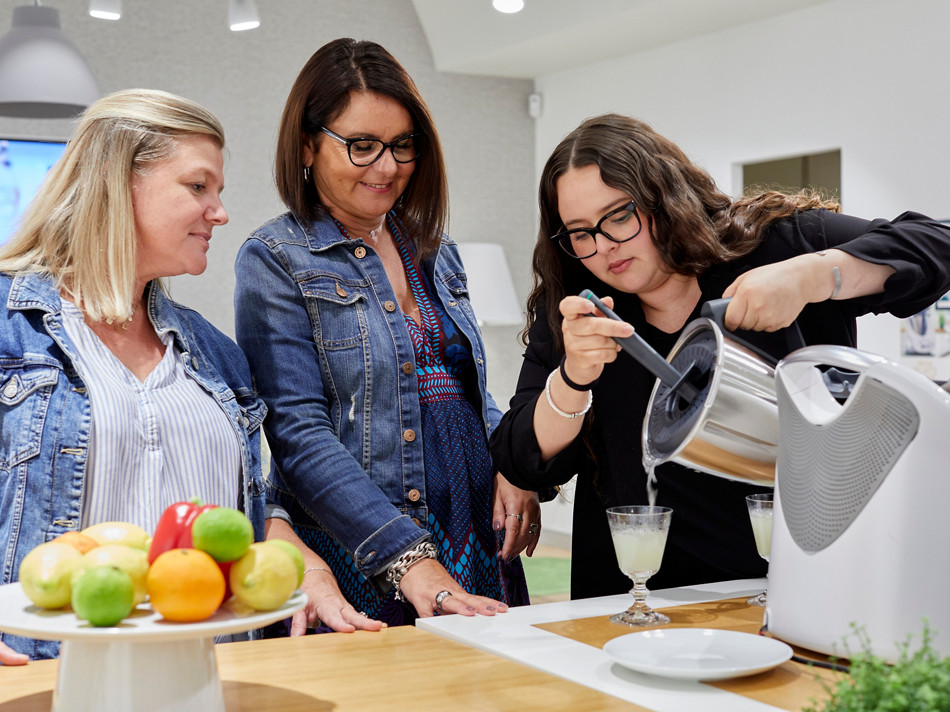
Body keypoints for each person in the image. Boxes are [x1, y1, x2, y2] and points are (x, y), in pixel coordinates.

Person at [489, 113, 950, 600]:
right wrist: (572, 378)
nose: (603, 247)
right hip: (634, 601)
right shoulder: (579, 309)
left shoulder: (778, 246)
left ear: (662, 195)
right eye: (580, 233)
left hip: (798, 584)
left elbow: (937, 244)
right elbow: (521, 460)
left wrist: (812, 277)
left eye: (619, 216)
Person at [0, 89, 377, 664]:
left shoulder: (214, 352)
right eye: (198, 186)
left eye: (217, 192)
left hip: (211, 672)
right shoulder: (9, 326)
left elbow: (236, 511)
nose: (220, 212)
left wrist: (309, 570)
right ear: (115, 180)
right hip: (48, 674)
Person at [234, 38, 540, 629]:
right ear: (306, 144)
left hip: (475, 527)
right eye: (362, 146)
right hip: (365, 539)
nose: (387, 167)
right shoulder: (274, 257)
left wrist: (514, 467)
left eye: (402, 147)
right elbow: (298, 434)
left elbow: (470, 388)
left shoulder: (435, 248)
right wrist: (408, 558)